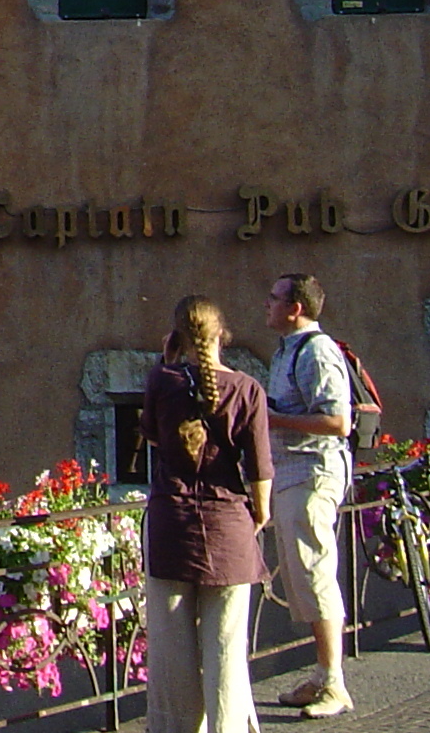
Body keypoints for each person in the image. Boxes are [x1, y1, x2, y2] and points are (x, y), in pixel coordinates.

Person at [143, 294, 273, 733]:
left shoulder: (162, 380)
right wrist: (260, 514)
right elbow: (259, 468)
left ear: (177, 337)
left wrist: (168, 360)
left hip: (171, 522)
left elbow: (152, 436)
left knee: (170, 647)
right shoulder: (247, 389)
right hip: (228, 524)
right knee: (226, 649)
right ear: (223, 336)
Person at [264, 274, 355, 717]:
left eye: (275, 298)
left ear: (295, 307)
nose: (267, 304)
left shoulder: (317, 351)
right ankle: (322, 674)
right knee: (303, 575)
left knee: (316, 571)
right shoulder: (287, 351)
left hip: (313, 473)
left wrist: (275, 420)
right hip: (291, 474)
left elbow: (339, 422)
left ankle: (334, 683)